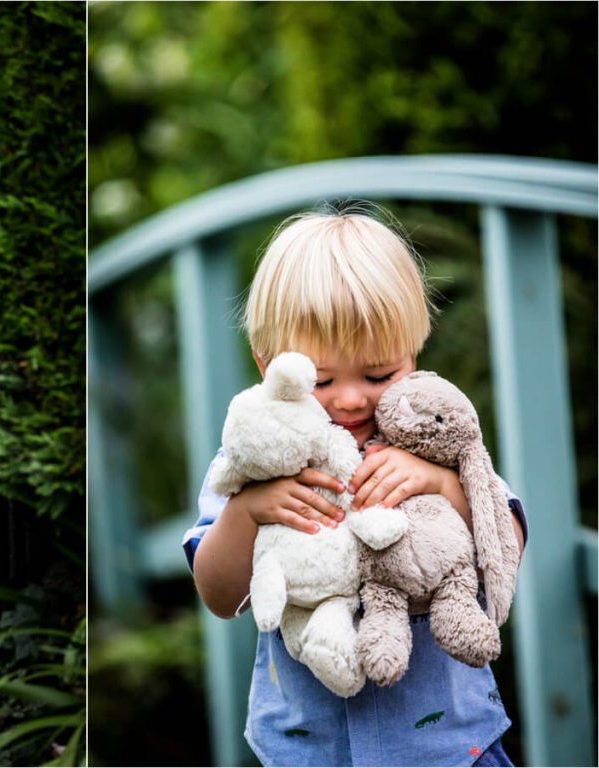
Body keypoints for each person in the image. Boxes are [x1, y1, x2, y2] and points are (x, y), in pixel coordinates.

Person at [182, 205, 527, 767]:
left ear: (413, 351)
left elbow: (506, 541)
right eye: (320, 380)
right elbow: (220, 597)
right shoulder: (255, 460)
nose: (350, 399)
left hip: (451, 747)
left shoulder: (432, 439)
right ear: (269, 367)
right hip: (309, 750)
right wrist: (246, 513)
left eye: (378, 374)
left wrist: (445, 487)